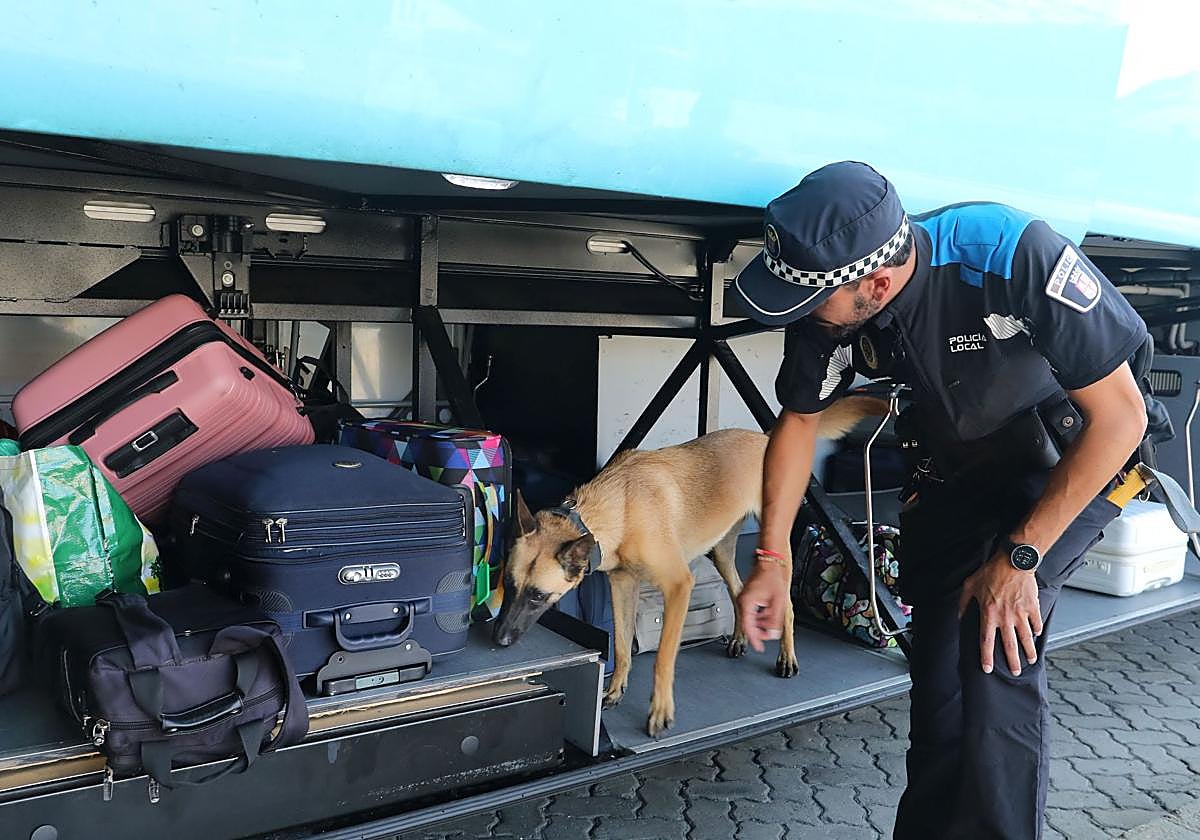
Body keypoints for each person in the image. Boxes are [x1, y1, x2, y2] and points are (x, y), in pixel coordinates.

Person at [733, 161, 1152, 839]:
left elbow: (1121, 419)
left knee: (993, 654)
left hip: (1072, 459)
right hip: (955, 471)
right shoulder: (831, 297)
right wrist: (773, 556)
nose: (805, 317)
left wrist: (1019, 559)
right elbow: (799, 421)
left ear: (876, 282)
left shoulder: (1010, 254)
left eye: (812, 303)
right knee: (937, 688)